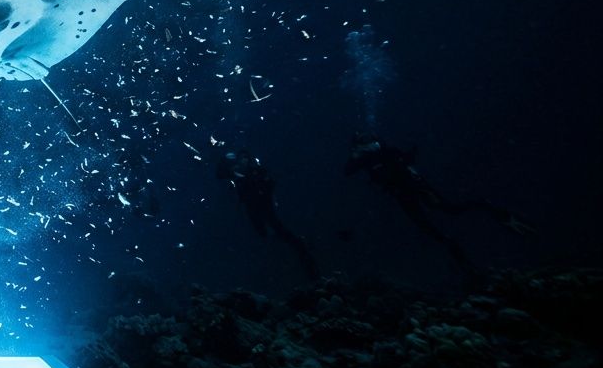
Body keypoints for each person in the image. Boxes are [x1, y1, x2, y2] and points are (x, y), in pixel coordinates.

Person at [344, 132, 532, 276]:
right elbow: (347, 171)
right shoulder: (364, 160)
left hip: (418, 187)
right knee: (425, 226)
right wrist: (356, 155)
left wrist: (398, 155)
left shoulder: (386, 151)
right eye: (362, 145)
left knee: (450, 209)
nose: (367, 147)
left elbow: (406, 158)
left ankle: (492, 210)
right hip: (402, 196)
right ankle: (455, 251)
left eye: (367, 143)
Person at [216, 149, 320, 281]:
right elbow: (220, 174)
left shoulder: (256, 172)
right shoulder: (236, 174)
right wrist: (225, 162)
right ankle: (293, 248)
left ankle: (299, 248)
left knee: (277, 229)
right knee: (264, 232)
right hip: (252, 208)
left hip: (265, 206)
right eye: (241, 158)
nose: (243, 161)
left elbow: (269, 184)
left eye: (245, 158)